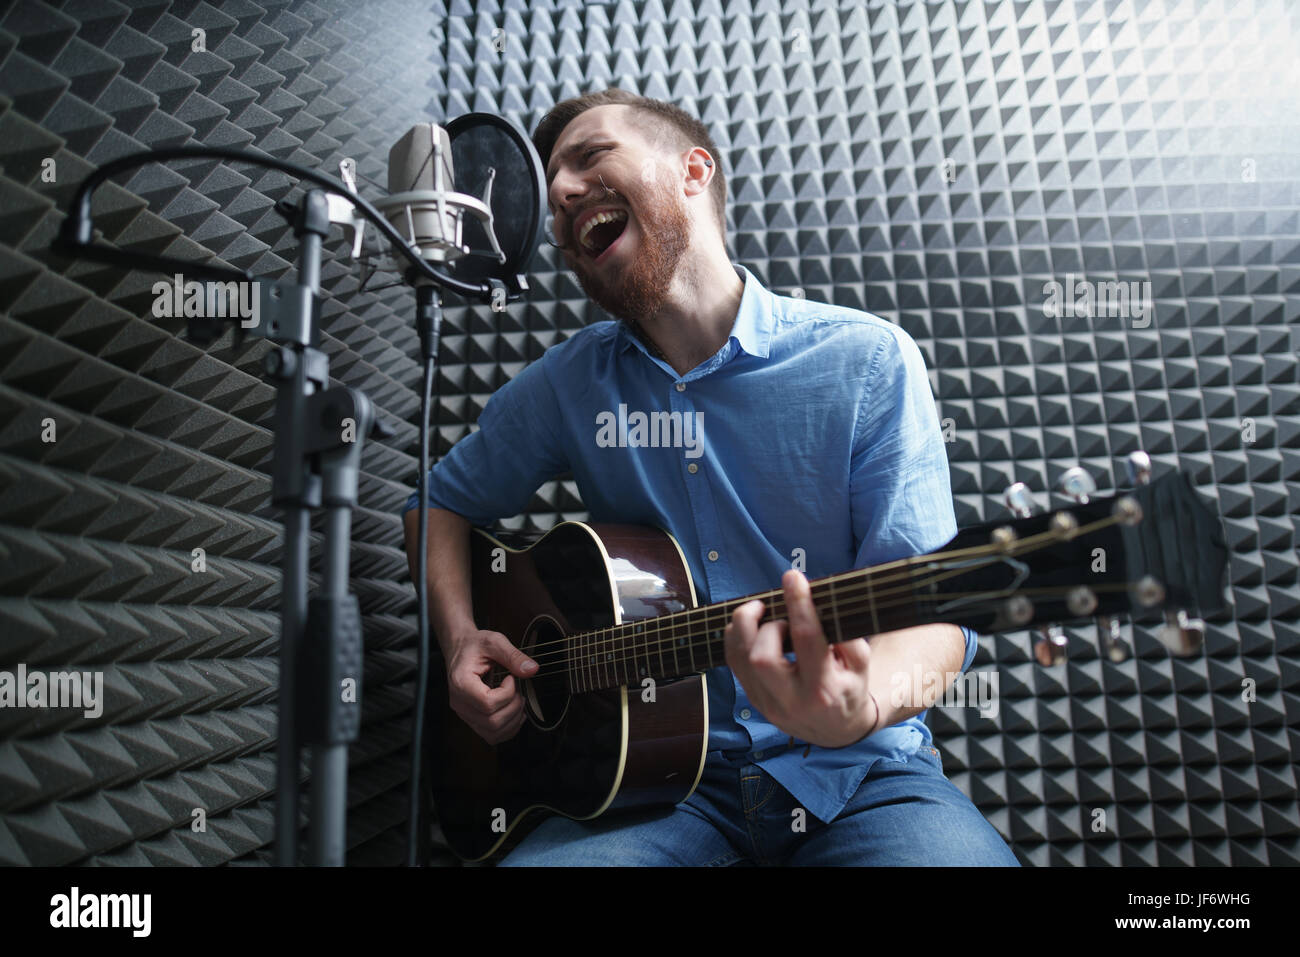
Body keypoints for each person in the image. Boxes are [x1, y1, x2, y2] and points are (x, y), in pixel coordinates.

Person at [402, 88, 1018, 866]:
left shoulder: (864, 361)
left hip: (862, 779)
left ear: (694, 171)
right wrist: (460, 639)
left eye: (590, 157)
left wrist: (862, 703)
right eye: (555, 187)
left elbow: (940, 611)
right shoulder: (568, 384)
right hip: (648, 794)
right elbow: (439, 503)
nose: (558, 196)